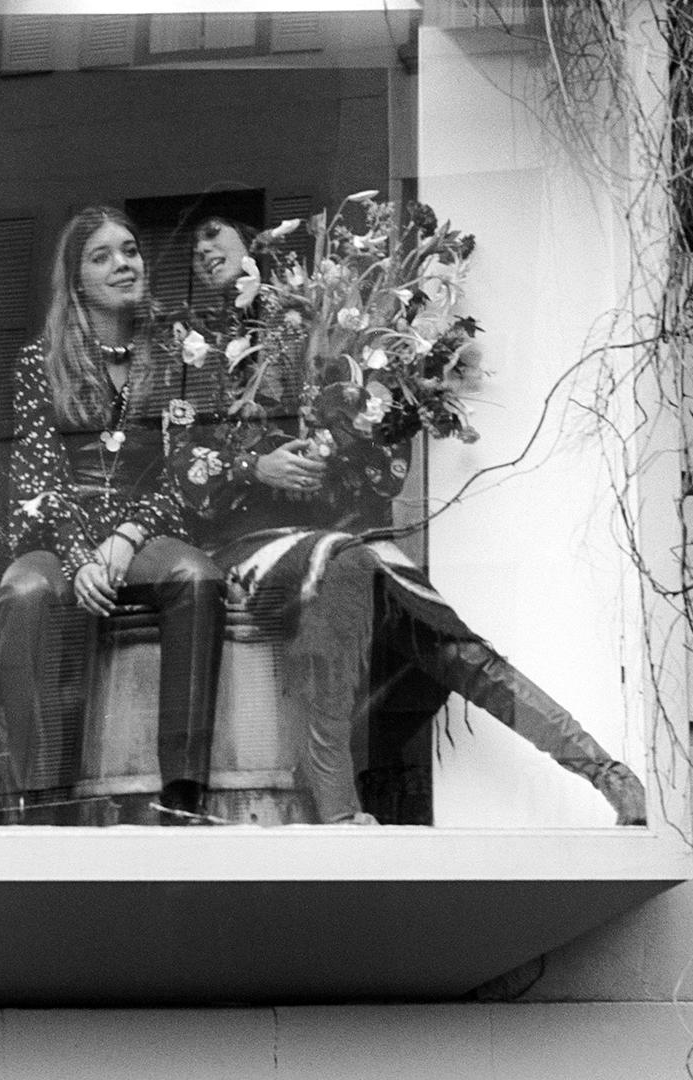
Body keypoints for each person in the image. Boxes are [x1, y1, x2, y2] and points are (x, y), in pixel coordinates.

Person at [168, 212, 648, 826]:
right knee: (349, 566)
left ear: (255, 241)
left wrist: (342, 432)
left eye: (215, 230)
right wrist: (256, 466)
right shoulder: (191, 344)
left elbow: (384, 470)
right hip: (244, 542)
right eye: (193, 244)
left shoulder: (320, 320)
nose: (204, 246)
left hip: (337, 539)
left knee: (442, 631)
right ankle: (341, 811)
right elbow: (179, 463)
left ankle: (602, 769)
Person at [0, 205, 226, 825]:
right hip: (61, 529)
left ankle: (181, 798)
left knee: (197, 577)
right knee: (24, 593)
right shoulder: (38, 363)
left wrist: (124, 539)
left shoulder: (181, 354)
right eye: (103, 256)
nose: (124, 264)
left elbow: (189, 467)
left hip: (146, 528)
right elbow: (37, 478)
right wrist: (80, 557)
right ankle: (39, 806)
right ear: (75, 281)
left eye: (130, 251)